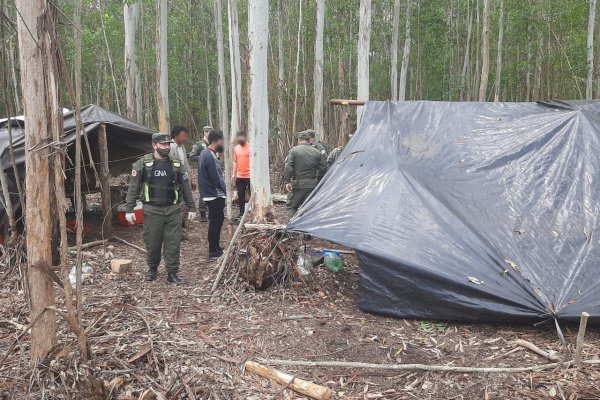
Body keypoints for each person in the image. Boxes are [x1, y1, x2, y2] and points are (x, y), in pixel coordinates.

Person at [124, 133, 196, 284]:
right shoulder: (142, 164)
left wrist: (192, 207)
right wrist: (129, 209)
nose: (167, 147)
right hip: (152, 211)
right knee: (153, 242)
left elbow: (186, 187)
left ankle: (172, 274)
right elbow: (133, 188)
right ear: (154, 145)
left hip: (173, 210)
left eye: (168, 144)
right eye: (163, 144)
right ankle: (152, 269)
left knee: (173, 243)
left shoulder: (176, 164)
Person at [284, 131, 327, 219]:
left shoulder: (293, 151)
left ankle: (293, 230)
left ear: (299, 140)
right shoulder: (317, 152)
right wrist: (317, 181)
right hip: (312, 185)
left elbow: (288, 167)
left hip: (297, 185)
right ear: (309, 140)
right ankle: (306, 231)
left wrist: (287, 181)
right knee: (309, 209)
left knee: (292, 207)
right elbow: (323, 169)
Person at [198, 130, 227, 259]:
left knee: (218, 220)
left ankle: (215, 246)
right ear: (216, 141)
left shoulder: (206, 153)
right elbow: (217, 178)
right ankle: (213, 251)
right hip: (214, 194)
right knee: (216, 222)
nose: (223, 143)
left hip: (210, 193)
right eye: (222, 141)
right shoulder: (209, 156)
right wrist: (227, 191)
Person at [170, 125, 196, 240]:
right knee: (178, 205)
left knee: (186, 204)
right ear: (176, 135)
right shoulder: (170, 147)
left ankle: (183, 228)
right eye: (183, 135)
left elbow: (185, 164)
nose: (185, 138)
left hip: (184, 179)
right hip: (175, 181)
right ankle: (177, 232)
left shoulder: (182, 147)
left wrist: (191, 178)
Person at [189, 125, 213, 222]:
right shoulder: (199, 145)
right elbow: (192, 156)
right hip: (203, 172)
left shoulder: (213, 144)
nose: (209, 134)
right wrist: (203, 158)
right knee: (203, 192)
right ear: (204, 133)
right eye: (207, 132)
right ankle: (203, 214)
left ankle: (211, 213)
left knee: (213, 192)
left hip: (212, 172)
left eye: (210, 132)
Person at [232, 130, 250, 218]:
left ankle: (253, 211)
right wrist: (233, 173)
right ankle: (241, 212)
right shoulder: (236, 148)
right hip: (240, 176)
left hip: (250, 176)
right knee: (241, 194)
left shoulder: (251, 147)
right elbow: (235, 162)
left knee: (252, 194)